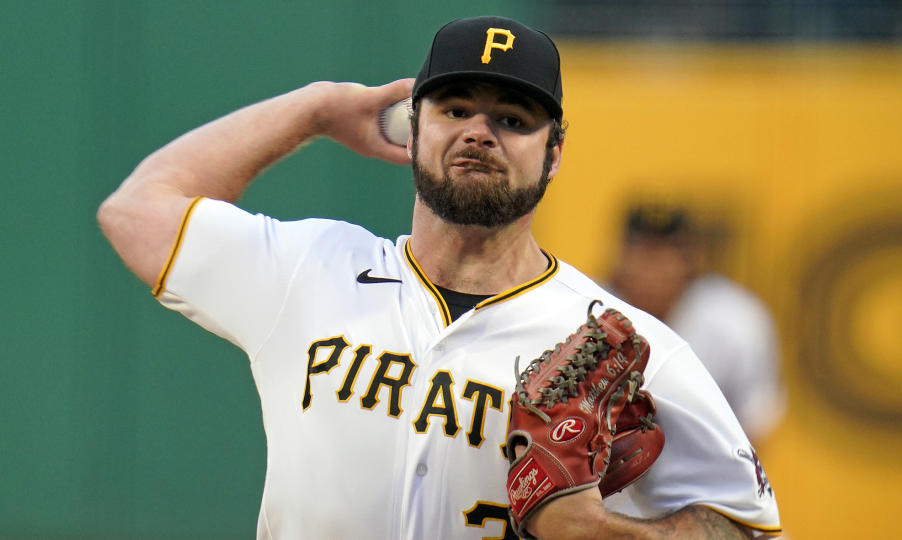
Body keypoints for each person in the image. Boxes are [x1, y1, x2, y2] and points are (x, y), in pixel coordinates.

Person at [98, 16, 780, 540]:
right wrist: (315, 110)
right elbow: (136, 212)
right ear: (411, 126)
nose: (480, 132)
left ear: (555, 153)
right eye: (455, 109)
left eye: (513, 119)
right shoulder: (307, 269)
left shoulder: (620, 343)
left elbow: (746, 525)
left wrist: (600, 533)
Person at [610, 206, 786, 444]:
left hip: (706, 470)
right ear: (620, 259)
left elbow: (755, 420)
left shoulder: (735, 320)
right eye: (642, 254)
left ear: (692, 262)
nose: (651, 271)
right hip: (606, 476)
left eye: (664, 257)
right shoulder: (589, 313)